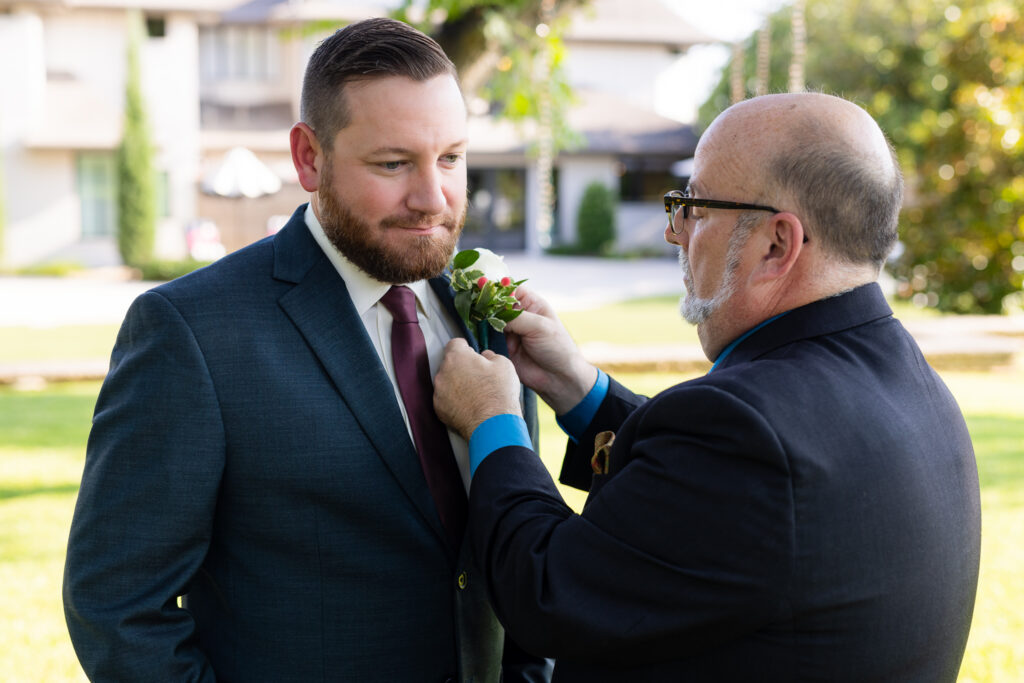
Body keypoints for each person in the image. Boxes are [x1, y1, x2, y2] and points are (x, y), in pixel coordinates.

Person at [433, 92, 981, 681]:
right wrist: (578, 388)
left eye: (694, 207)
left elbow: (546, 590)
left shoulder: (746, 432)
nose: (675, 233)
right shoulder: (913, 385)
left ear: (777, 244)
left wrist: (494, 421)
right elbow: (707, 506)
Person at [63, 18, 548, 682]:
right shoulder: (191, 333)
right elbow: (116, 605)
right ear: (309, 158)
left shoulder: (486, 314)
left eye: (451, 158)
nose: (433, 198)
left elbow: (514, 556)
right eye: (393, 163)